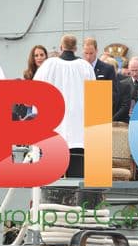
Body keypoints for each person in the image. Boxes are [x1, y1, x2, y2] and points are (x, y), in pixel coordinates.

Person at [33, 34, 95, 177]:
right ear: (76, 48)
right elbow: (94, 100)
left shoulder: (48, 65)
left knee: (53, 178)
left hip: (54, 129)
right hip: (79, 131)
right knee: (77, 177)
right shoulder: (86, 67)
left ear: (61, 47)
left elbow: (36, 92)